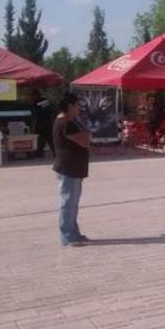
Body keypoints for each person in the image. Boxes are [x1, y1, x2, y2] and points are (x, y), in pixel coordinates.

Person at [52, 93, 91, 247]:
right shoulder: (66, 123)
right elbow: (85, 141)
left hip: (74, 167)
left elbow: (85, 137)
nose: (78, 108)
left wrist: (85, 133)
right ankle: (67, 236)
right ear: (69, 106)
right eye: (76, 105)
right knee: (68, 202)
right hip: (69, 167)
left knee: (73, 203)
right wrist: (86, 134)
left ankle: (74, 232)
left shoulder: (71, 121)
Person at [31, 89, 55, 158]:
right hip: (46, 123)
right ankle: (53, 152)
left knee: (42, 139)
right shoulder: (43, 101)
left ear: (36, 95)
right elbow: (50, 111)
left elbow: (37, 112)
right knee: (47, 139)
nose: (32, 97)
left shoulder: (37, 103)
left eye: (32, 96)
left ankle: (40, 153)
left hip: (42, 123)